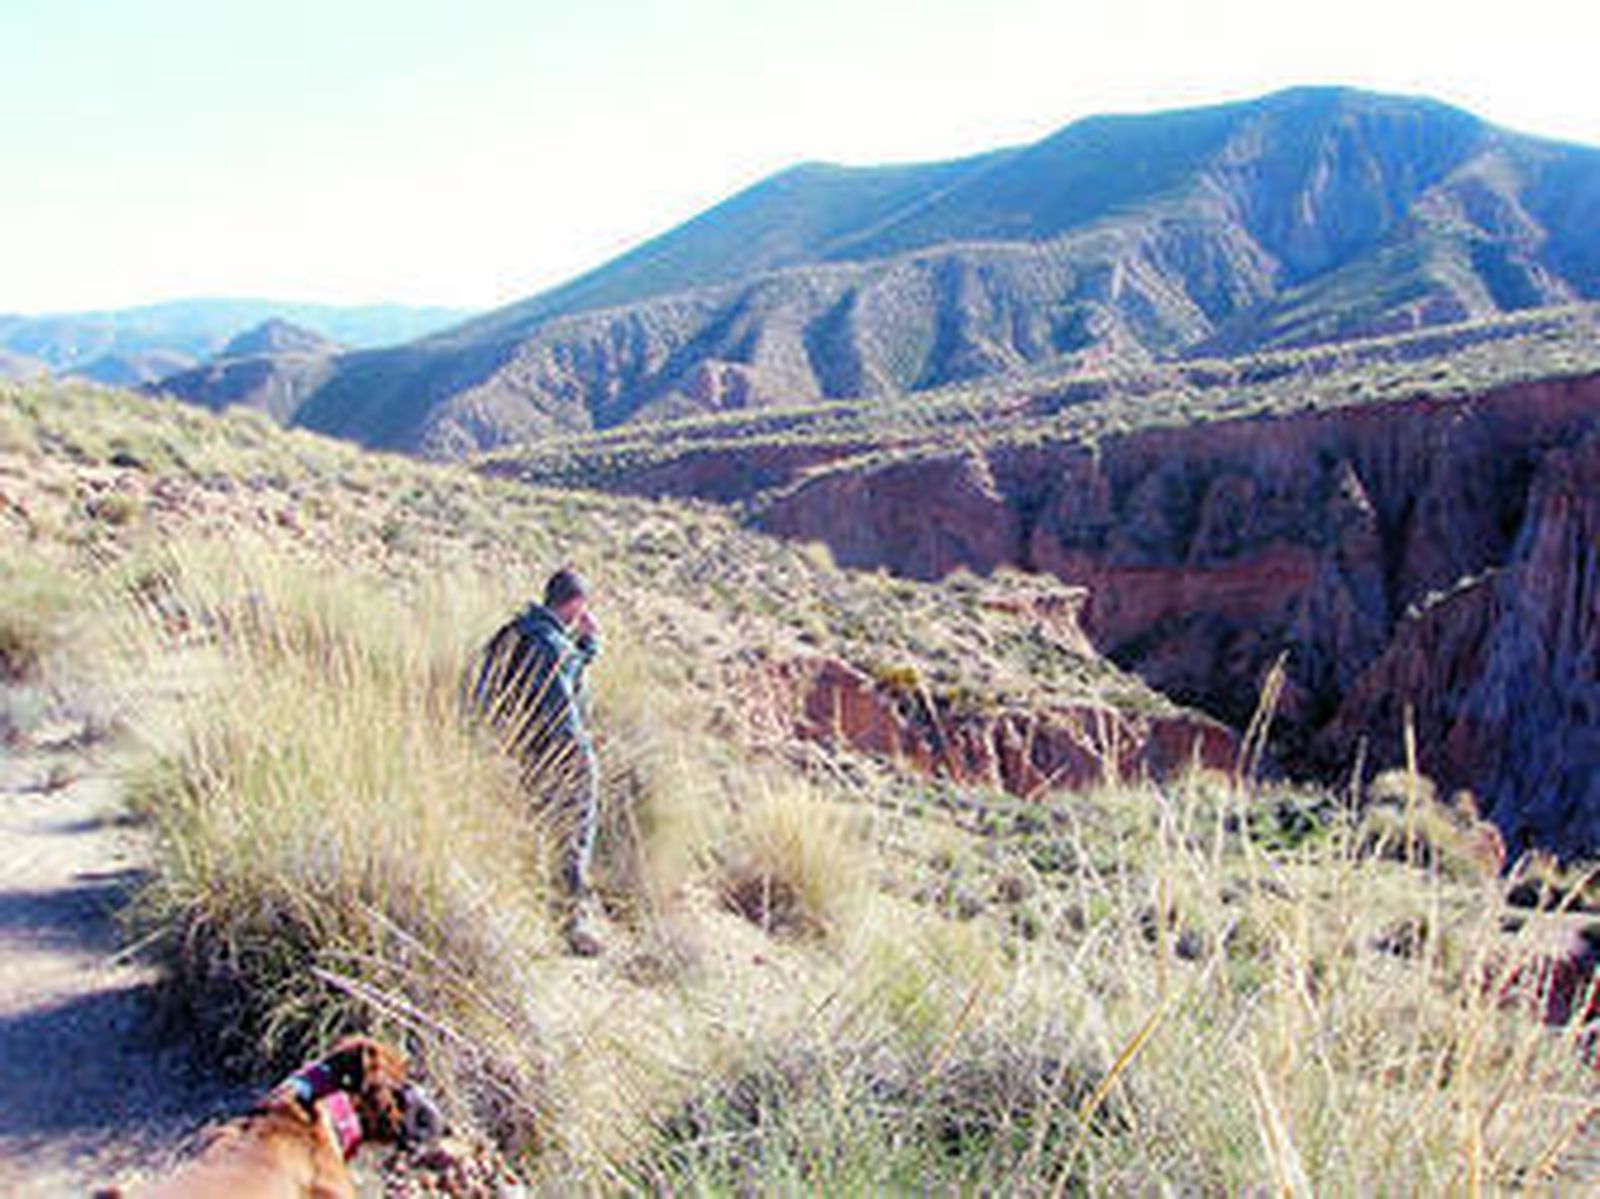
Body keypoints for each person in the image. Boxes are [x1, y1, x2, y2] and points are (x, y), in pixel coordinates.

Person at [473, 567, 605, 955]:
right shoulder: (550, 645)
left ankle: (526, 912)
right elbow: (561, 706)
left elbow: (566, 669)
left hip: (521, 751)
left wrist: (588, 646)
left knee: (534, 829)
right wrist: (580, 756)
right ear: (577, 605)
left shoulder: (520, 631)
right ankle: (571, 924)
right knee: (572, 833)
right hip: (557, 754)